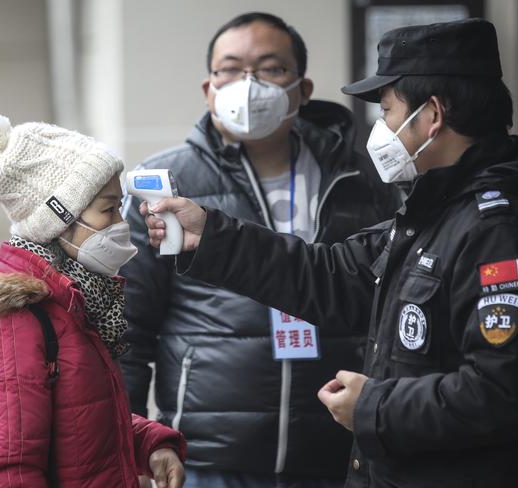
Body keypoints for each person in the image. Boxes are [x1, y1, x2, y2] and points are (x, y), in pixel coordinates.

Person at [138, 18, 518, 488]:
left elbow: (503, 393)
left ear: (431, 116)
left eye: (387, 110)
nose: (381, 128)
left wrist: (371, 406)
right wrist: (212, 235)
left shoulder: (500, 229)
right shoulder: (435, 212)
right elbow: (334, 275)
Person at [120, 11, 401, 488]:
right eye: (230, 69)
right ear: (208, 88)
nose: (247, 85)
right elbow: (129, 329)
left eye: (270, 69)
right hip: (207, 457)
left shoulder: (363, 182)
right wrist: (131, 440)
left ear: (303, 89)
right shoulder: (165, 186)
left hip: (338, 449)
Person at [0, 112, 187, 487]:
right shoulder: (10, 323)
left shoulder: (71, 302)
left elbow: (81, 420)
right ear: (57, 219)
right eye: (107, 209)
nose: (121, 224)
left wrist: (150, 445)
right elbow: (10, 471)